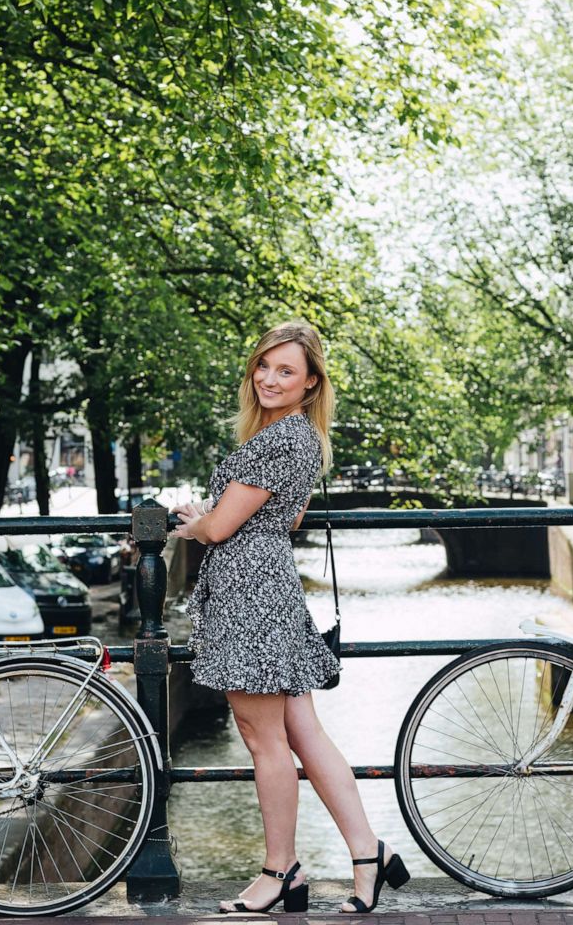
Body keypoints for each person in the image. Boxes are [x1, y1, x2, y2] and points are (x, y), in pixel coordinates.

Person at [170, 320, 409, 914]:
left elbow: (221, 528)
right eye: (264, 366)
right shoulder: (303, 440)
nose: (270, 379)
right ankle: (367, 853)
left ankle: (281, 870)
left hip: (248, 595)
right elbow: (290, 517)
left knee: (263, 740)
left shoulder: (276, 440)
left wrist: (192, 518)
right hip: (271, 586)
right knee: (302, 733)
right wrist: (222, 513)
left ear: (309, 383)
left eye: (286, 371)